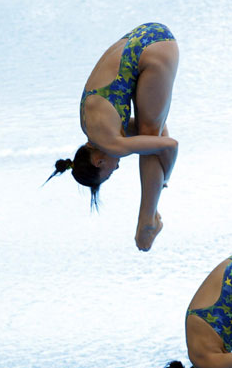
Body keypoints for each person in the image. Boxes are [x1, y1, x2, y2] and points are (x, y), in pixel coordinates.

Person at [46, 23, 179, 251]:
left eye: (108, 175)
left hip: (154, 49)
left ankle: (145, 221)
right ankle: (147, 217)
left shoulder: (112, 144)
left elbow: (169, 146)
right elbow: (158, 133)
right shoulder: (90, 127)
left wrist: (164, 177)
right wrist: (156, 176)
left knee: (150, 140)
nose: (116, 169)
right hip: (145, 35)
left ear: (99, 162)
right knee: (149, 136)